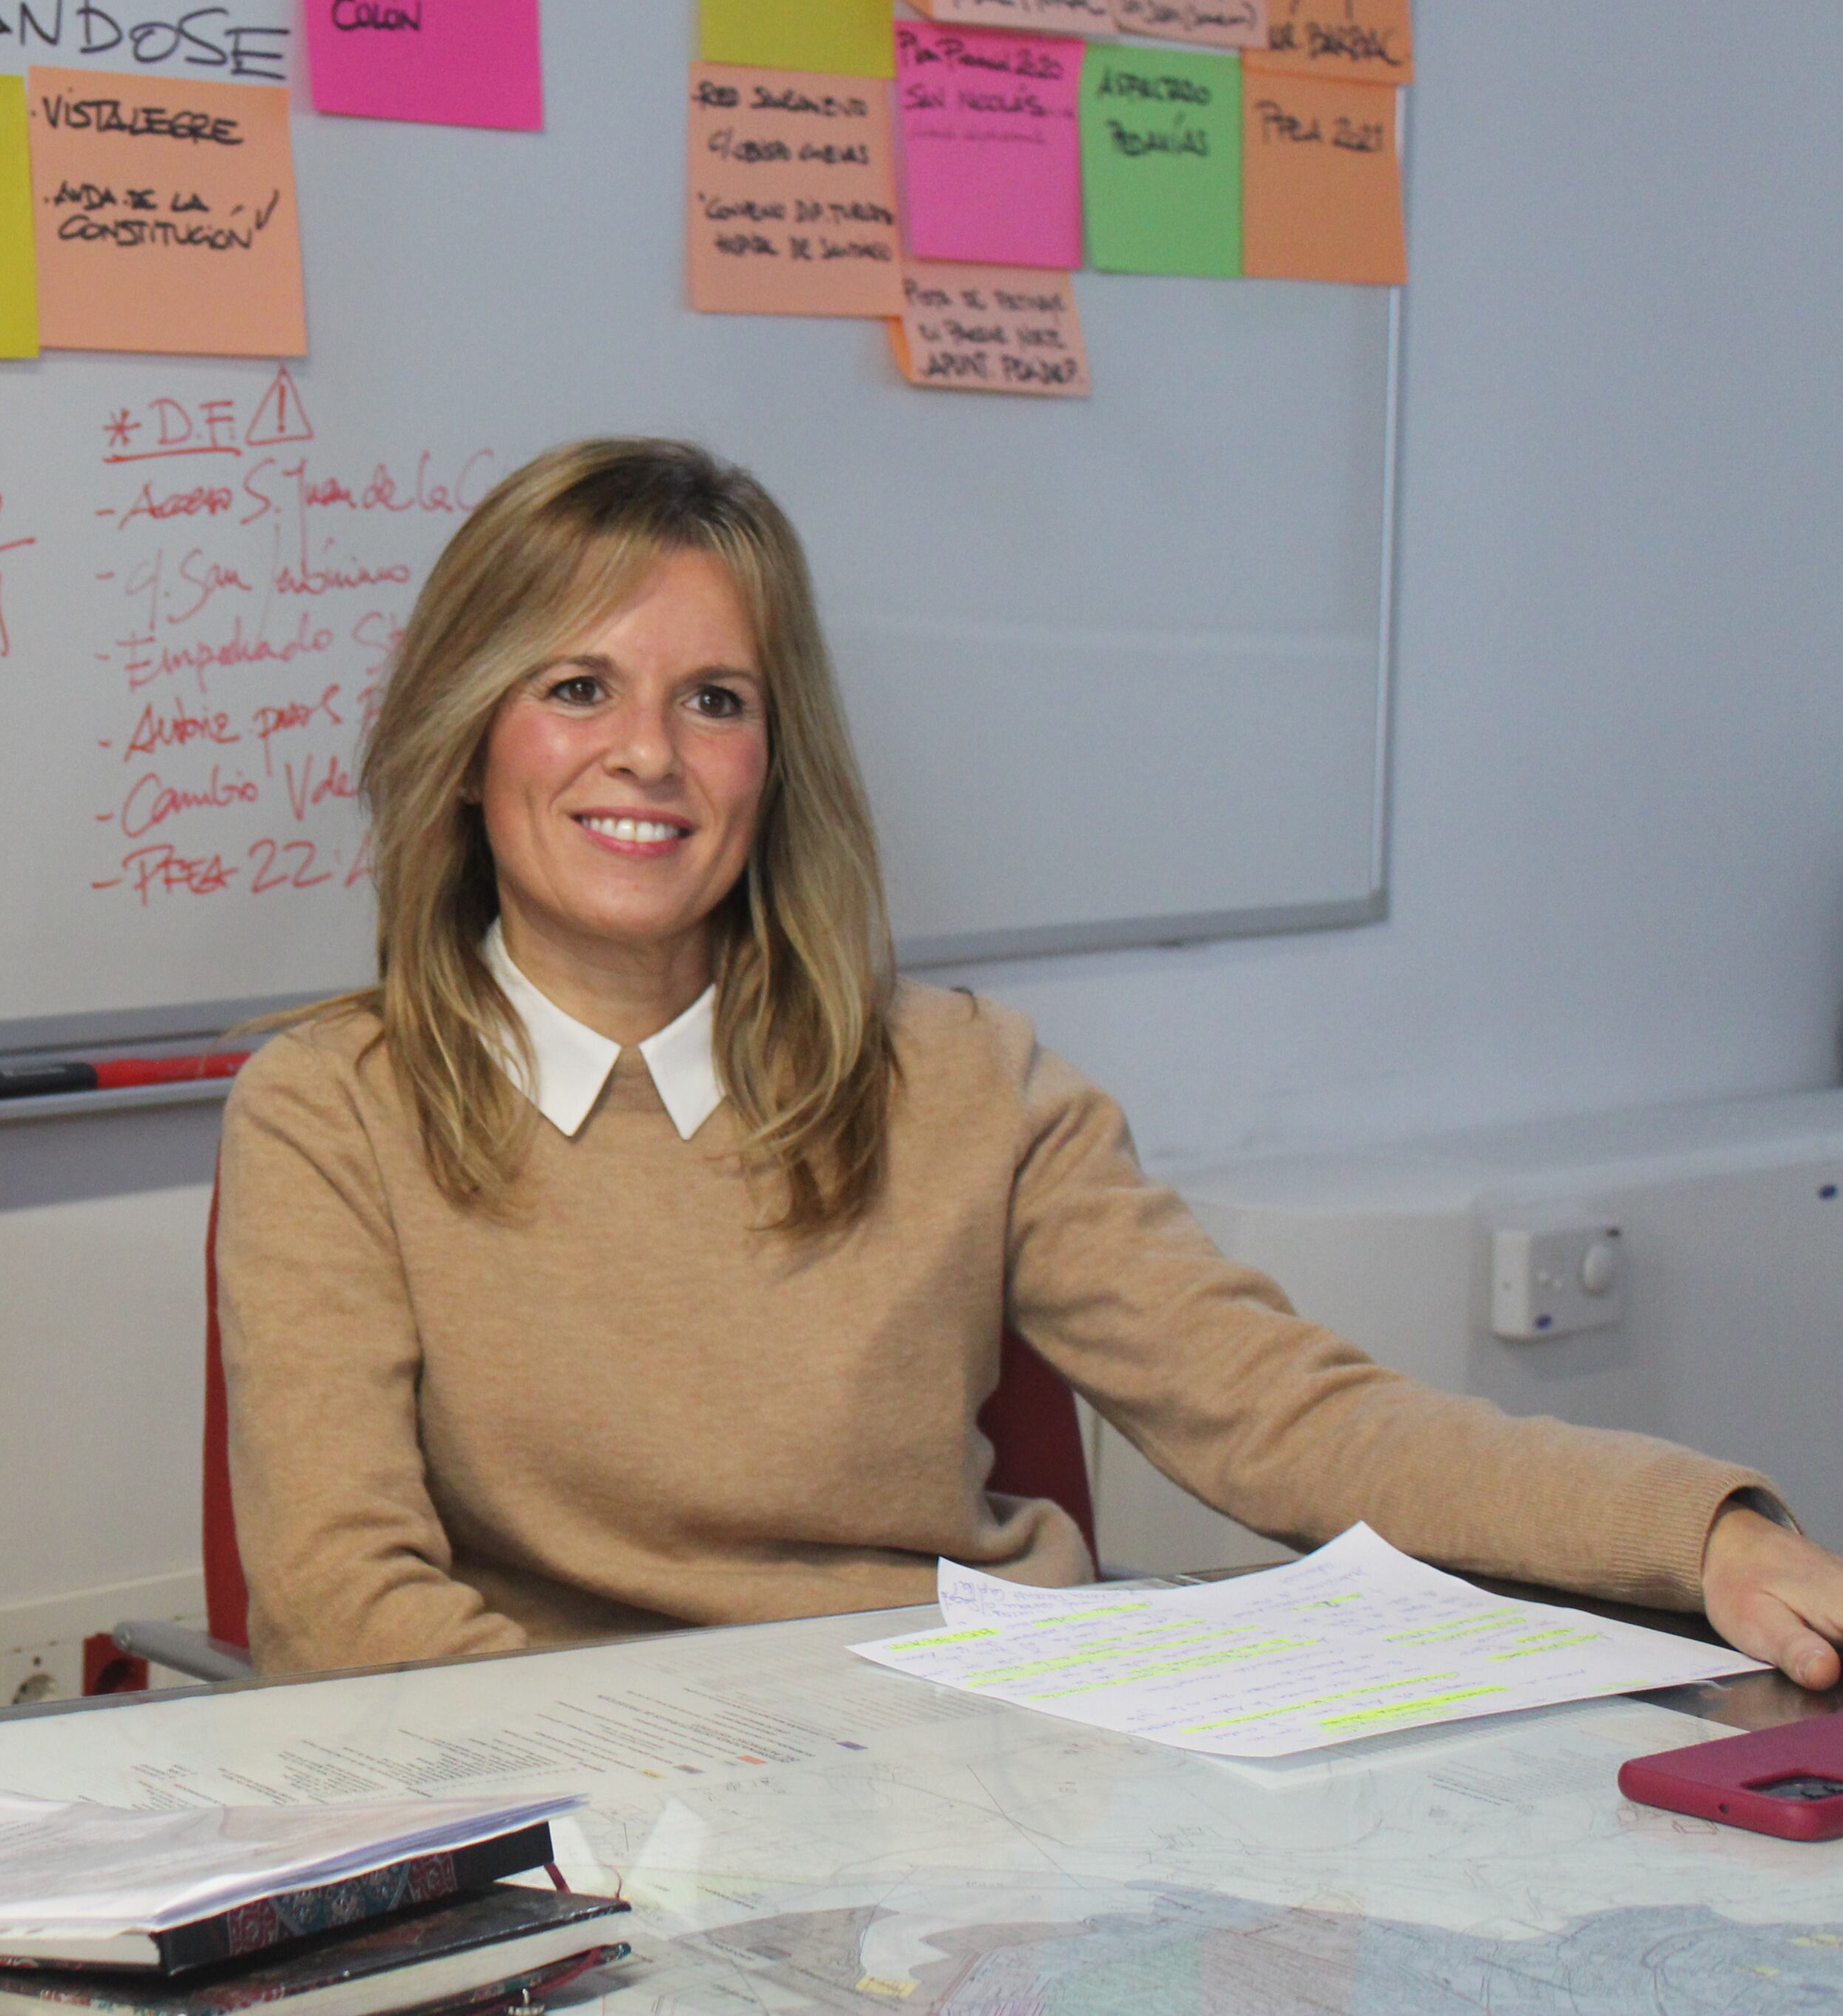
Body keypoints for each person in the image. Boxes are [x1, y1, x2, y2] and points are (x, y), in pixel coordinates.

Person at [216, 437, 1843, 1685]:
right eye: (577, 687)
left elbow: (1284, 1413)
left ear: (773, 763)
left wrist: (1693, 1531)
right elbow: (340, 1599)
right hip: (597, 1842)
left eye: (713, 699)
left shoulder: (962, 1080)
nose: (648, 752)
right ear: (467, 732)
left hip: (974, 1805)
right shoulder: (330, 1109)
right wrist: (665, 1813)